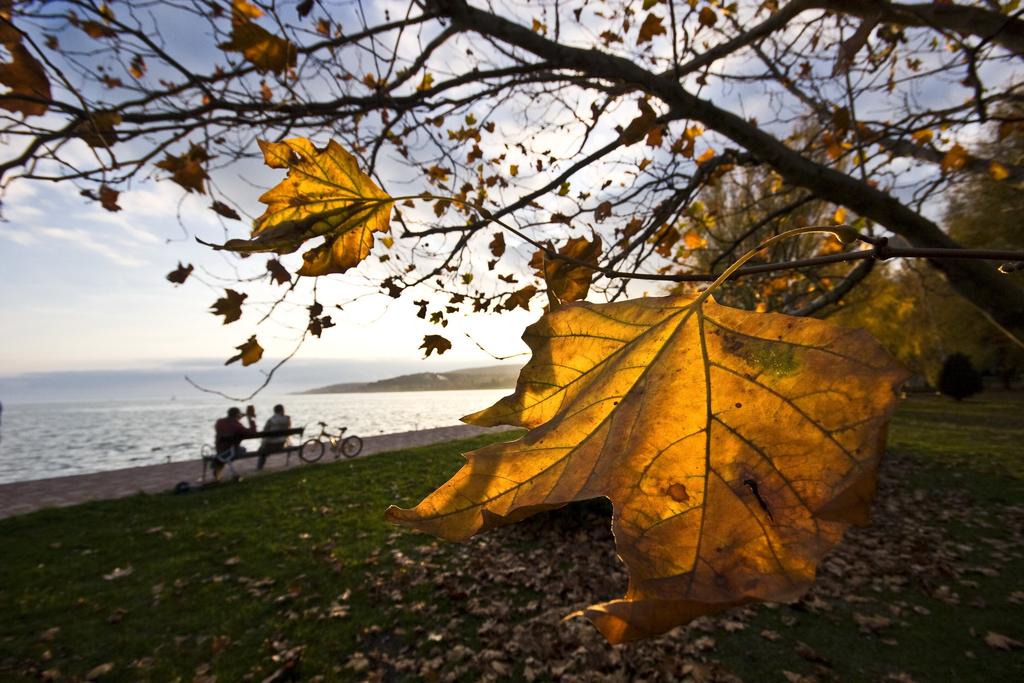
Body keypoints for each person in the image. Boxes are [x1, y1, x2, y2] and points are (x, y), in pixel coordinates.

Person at [213, 405, 258, 479]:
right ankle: (222, 464)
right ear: (237, 415)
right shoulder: (237, 425)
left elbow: (229, 423)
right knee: (243, 449)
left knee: (224, 453)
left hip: (219, 449)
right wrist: (250, 419)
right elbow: (253, 433)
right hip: (231, 451)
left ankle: (218, 468)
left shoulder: (219, 422)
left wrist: (241, 416)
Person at [257, 404, 291, 470]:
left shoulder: (270, 420)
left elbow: (264, 432)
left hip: (270, 445)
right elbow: (288, 430)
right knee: (263, 448)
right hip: (282, 443)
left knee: (261, 450)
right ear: (283, 410)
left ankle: (259, 467)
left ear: (274, 411)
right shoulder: (287, 419)